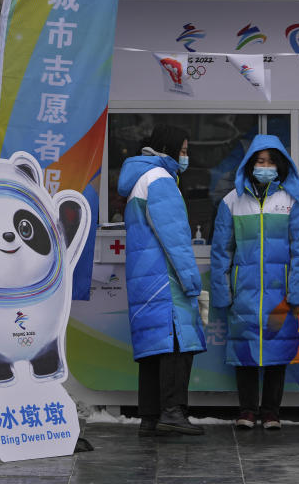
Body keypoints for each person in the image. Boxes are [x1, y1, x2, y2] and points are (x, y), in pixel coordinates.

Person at [209, 134, 299, 430]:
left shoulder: (293, 199)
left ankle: (271, 412)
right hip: (245, 291)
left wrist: (298, 290)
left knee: (278, 353)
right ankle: (247, 410)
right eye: (259, 161)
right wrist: (222, 289)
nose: (265, 167)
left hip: (282, 293)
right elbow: (221, 251)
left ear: (280, 166)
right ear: (250, 164)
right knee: (245, 352)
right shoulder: (232, 201)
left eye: (270, 162)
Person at [117, 124, 206, 436]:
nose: (185, 156)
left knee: (154, 349)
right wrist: (192, 283)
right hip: (166, 278)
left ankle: (150, 416)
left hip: (145, 276)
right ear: (167, 148)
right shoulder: (161, 179)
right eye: (182, 150)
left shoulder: (140, 177)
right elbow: (176, 240)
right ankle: (172, 411)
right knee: (176, 346)